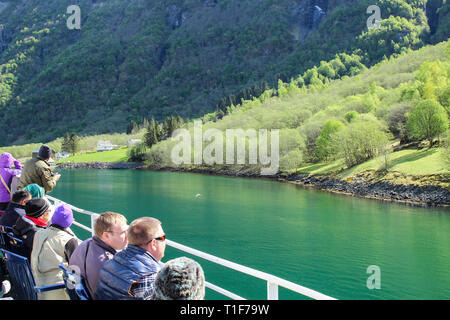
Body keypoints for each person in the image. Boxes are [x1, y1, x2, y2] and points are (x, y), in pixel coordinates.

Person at [97, 217, 166, 300]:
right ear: (153, 243)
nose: (165, 241)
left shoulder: (110, 262)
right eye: (163, 237)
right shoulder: (150, 276)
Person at [69, 211, 128, 299]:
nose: (128, 236)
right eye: (123, 232)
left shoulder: (85, 244)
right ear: (106, 235)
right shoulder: (106, 264)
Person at [31, 204, 79, 300]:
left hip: (36, 284)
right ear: (70, 222)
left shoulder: (38, 233)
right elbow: (76, 269)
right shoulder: (69, 240)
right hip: (58, 290)